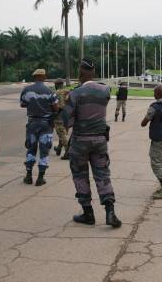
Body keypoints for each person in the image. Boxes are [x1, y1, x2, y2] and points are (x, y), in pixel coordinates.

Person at [63, 59, 122, 228]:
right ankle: (110, 212)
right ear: (94, 72)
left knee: (80, 175)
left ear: (80, 73)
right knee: (103, 175)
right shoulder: (104, 90)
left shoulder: (75, 93)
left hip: (80, 141)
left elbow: (67, 121)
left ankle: (88, 213)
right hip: (100, 140)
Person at [20, 69, 59, 186]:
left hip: (32, 123)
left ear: (34, 77)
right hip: (46, 124)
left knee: (31, 148)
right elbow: (56, 108)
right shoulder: (49, 90)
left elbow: (22, 104)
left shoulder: (26, 90)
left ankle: (28, 176)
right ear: (44, 77)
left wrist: (33, 104)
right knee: (44, 150)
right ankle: (40, 178)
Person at [53, 78, 70, 160]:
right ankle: (59, 148)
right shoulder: (68, 92)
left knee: (61, 133)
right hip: (67, 115)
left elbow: (53, 105)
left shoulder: (55, 93)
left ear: (56, 85)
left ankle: (68, 151)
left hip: (59, 115)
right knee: (63, 132)